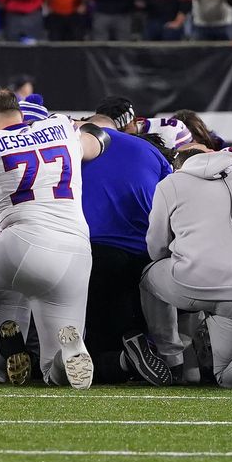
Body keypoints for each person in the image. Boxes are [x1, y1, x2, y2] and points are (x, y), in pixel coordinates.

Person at [0, 87, 105, 389]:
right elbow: (99, 140)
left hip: (24, 243)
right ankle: (67, 355)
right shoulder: (61, 127)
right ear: (19, 113)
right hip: (77, 253)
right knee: (52, 370)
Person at [144, 148, 232, 389]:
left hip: (192, 284)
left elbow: (156, 246)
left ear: (180, 167)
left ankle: (172, 357)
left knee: (148, 276)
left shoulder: (171, 183)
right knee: (227, 376)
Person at [77, 98, 175, 383]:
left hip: (93, 251)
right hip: (145, 256)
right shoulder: (150, 150)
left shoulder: (74, 148)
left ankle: (123, 360)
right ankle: (151, 352)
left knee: (94, 349)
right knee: (129, 322)